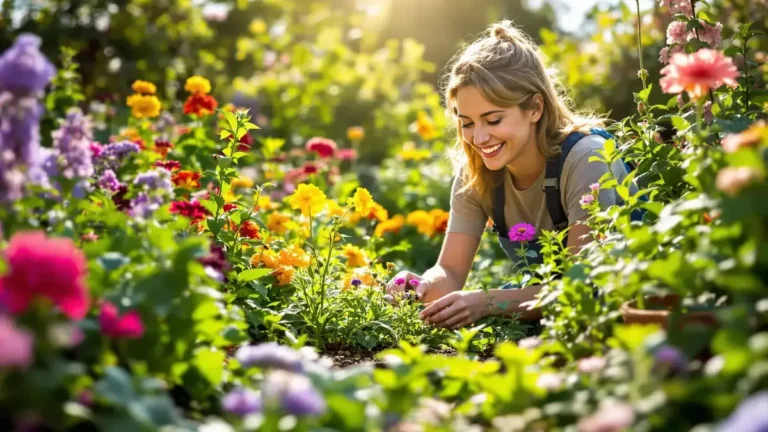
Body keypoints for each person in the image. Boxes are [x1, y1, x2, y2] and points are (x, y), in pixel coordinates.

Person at [385, 21, 634, 329]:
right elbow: (449, 272)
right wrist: (419, 287)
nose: (478, 139)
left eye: (493, 120)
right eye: (467, 123)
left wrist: (486, 302)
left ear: (534, 108)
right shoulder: (476, 173)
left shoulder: (587, 158)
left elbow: (582, 288)